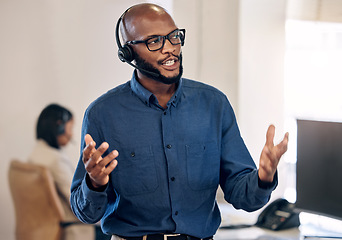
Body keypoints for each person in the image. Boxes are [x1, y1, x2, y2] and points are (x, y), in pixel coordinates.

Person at [70, 3, 289, 240]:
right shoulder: (103, 114)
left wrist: (263, 178)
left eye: (174, 37)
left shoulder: (214, 105)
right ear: (128, 53)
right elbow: (86, 214)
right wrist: (94, 184)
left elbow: (242, 196)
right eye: (155, 41)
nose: (170, 49)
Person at [28, 103, 95, 240]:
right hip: (75, 229)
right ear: (59, 126)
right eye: (70, 128)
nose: (71, 134)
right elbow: (79, 203)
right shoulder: (55, 160)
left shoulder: (36, 154)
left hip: (48, 226)